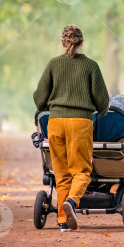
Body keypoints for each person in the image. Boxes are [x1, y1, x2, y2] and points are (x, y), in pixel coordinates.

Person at [33, 25, 109, 232]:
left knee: (62, 174)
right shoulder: (91, 66)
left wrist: (53, 103)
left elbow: (39, 99)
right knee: (82, 171)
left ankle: (63, 222)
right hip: (80, 123)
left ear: (63, 42)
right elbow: (103, 104)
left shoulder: (53, 64)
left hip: (55, 123)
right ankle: (73, 203)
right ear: (81, 42)